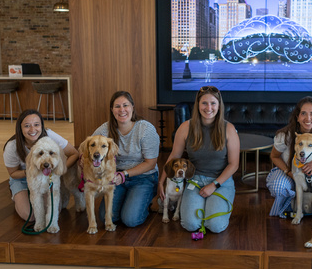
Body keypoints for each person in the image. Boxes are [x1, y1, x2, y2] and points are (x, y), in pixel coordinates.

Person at [159, 86, 240, 233]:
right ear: (197, 105)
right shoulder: (185, 127)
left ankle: (214, 206)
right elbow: (173, 156)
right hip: (194, 180)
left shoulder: (229, 129)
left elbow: (234, 164)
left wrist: (214, 185)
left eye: (213, 103)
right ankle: (203, 206)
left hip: (220, 181)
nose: (208, 107)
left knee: (215, 226)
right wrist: (161, 181)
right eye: (204, 103)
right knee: (190, 224)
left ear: (219, 105)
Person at [91, 91, 160, 227]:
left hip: (144, 177)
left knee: (130, 220)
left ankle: (146, 202)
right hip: (115, 178)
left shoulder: (145, 129)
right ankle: (127, 200)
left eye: (125, 105)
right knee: (106, 218)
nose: (122, 110)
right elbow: (89, 149)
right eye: (117, 106)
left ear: (132, 107)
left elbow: (151, 163)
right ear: (112, 110)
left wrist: (124, 174)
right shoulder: (105, 130)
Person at [3, 109, 79, 220]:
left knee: (53, 211)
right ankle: (19, 196)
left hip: (47, 177)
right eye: (27, 126)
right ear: (20, 128)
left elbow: (74, 154)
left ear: (42, 126)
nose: (32, 129)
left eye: (36, 125)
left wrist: (59, 170)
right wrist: (31, 170)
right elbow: (13, 173)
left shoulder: (49, 136)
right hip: (22, 179)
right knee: (31, 216)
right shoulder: (11, 146)